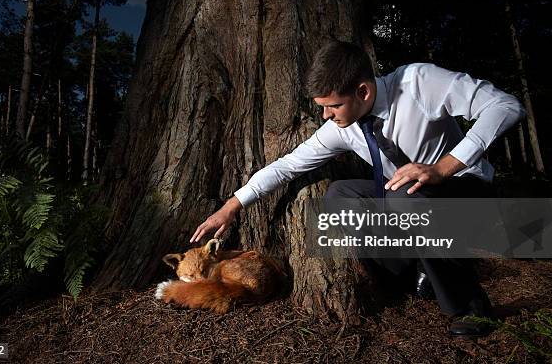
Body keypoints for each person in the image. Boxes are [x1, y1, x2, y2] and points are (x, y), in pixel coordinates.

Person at [189, 40, 526, 336]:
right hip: (405, 197)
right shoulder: (343, 126)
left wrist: (444, 166)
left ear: (363, 91)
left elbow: (505, 106)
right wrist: (232, 205)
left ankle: (472, 307)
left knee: (402, 198)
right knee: (340, 195)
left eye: (332, 105)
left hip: (464, 191)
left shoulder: (418, 82)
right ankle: (409, 274)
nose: (324, 115)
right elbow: (288, 164)